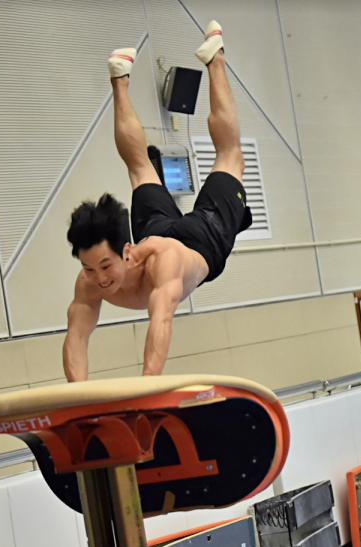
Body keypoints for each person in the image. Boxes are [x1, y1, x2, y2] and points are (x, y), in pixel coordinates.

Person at [63, 21, 251, 382]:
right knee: (139, 166)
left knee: (230, 154)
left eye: (105, 265)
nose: (99, 279)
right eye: (89, 269)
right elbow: (77, 336)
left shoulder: (162, 265)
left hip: (201, 239)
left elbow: (161, 321)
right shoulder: (87, 282)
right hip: (157, 232)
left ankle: (216, 61)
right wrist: (78, 398)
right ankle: (119, 77)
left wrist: (147, 388)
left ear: (127, 251)